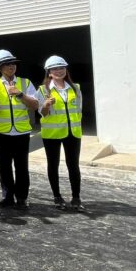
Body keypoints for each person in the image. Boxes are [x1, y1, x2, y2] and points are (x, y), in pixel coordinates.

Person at [0, 50, 40, 211]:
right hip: (0, 132)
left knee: (22, 166)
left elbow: (35, 105)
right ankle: (7, 197)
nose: (11, 66)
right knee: (4, 166)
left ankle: (22, 198)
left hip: (21, 132)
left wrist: (20, 94)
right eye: (7, 64)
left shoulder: (25, 83)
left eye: (13, 63)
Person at [39, 55, 85, 211]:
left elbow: (79, 109)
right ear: (49, 72)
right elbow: (42, 113)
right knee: (53, 165)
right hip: (52, 134)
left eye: (62, 68)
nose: (59, 71)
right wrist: (46, 105)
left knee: (73, 165)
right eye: (55, 69)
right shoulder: (43, 90)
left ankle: (76, 198)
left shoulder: (75, 88)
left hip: (73, 133)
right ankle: (57, 197)